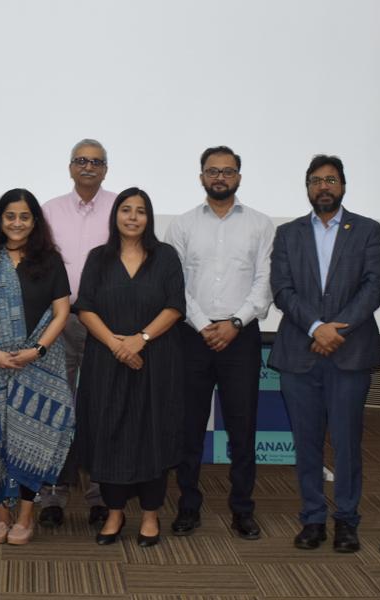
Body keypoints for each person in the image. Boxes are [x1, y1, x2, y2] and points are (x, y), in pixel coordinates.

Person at [268, 155, 380, 552]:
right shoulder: (287, 234)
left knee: (348, 441)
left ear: (343, 186)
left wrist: (338, 329)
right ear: (307, 188)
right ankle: (313, 518)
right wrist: (317, 327)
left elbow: (373, 286)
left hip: (349, 354)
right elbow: (282, 289)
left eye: (330, 180)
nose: (324, 187)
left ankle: (347, 520)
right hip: (300, 352)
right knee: (306, 443)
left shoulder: (367, 230)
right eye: (316, 180)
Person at [166, 146, 274, 540]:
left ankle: (242, 509)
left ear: (239, 178)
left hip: (241, 337)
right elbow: (174, 283)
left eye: (228, 172)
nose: (220, 178)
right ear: (201, 177)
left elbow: (265, 282)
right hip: (191, 337)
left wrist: (233, 323)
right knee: (189, 428)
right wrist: (201, 324)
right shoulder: (181, 225)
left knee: (243, 429)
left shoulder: (261, 225)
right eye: (213, 171)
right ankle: (188, 507)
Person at [74, 188, 185, 547]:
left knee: (152, 434)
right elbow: (85, 308)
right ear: (116, 215)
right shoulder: (98, 258)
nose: (133, 217)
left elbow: (174, 306)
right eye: (126, 210)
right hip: (106, 361)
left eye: (140, 211)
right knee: (110, 435)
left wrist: (141, 339)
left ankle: (151, 516)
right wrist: (117, 345)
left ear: (149, 218)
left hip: (156, 361)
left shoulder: (165, 257)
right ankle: (115, 513)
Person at [0, 189, 73, 546]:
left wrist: (38, 350)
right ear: (0, 219)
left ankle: (26, 515)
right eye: (10, 216)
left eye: (24, 217)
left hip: (39, 366)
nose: (16, 223)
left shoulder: (50, 261)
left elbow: (61, 313)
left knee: (31, 438)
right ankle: (1, 514)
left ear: (35, 221)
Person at [39, 138, 116, 527]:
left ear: (106, 169)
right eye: (81, 161)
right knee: (56, 409)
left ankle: (100, 495)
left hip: (106, 322)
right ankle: (52, 495)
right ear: (70, 167)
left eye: (96, 162)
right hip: (60, 319)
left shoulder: (121, 208)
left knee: (101, 410)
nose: (88, 167)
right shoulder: (49, 210)